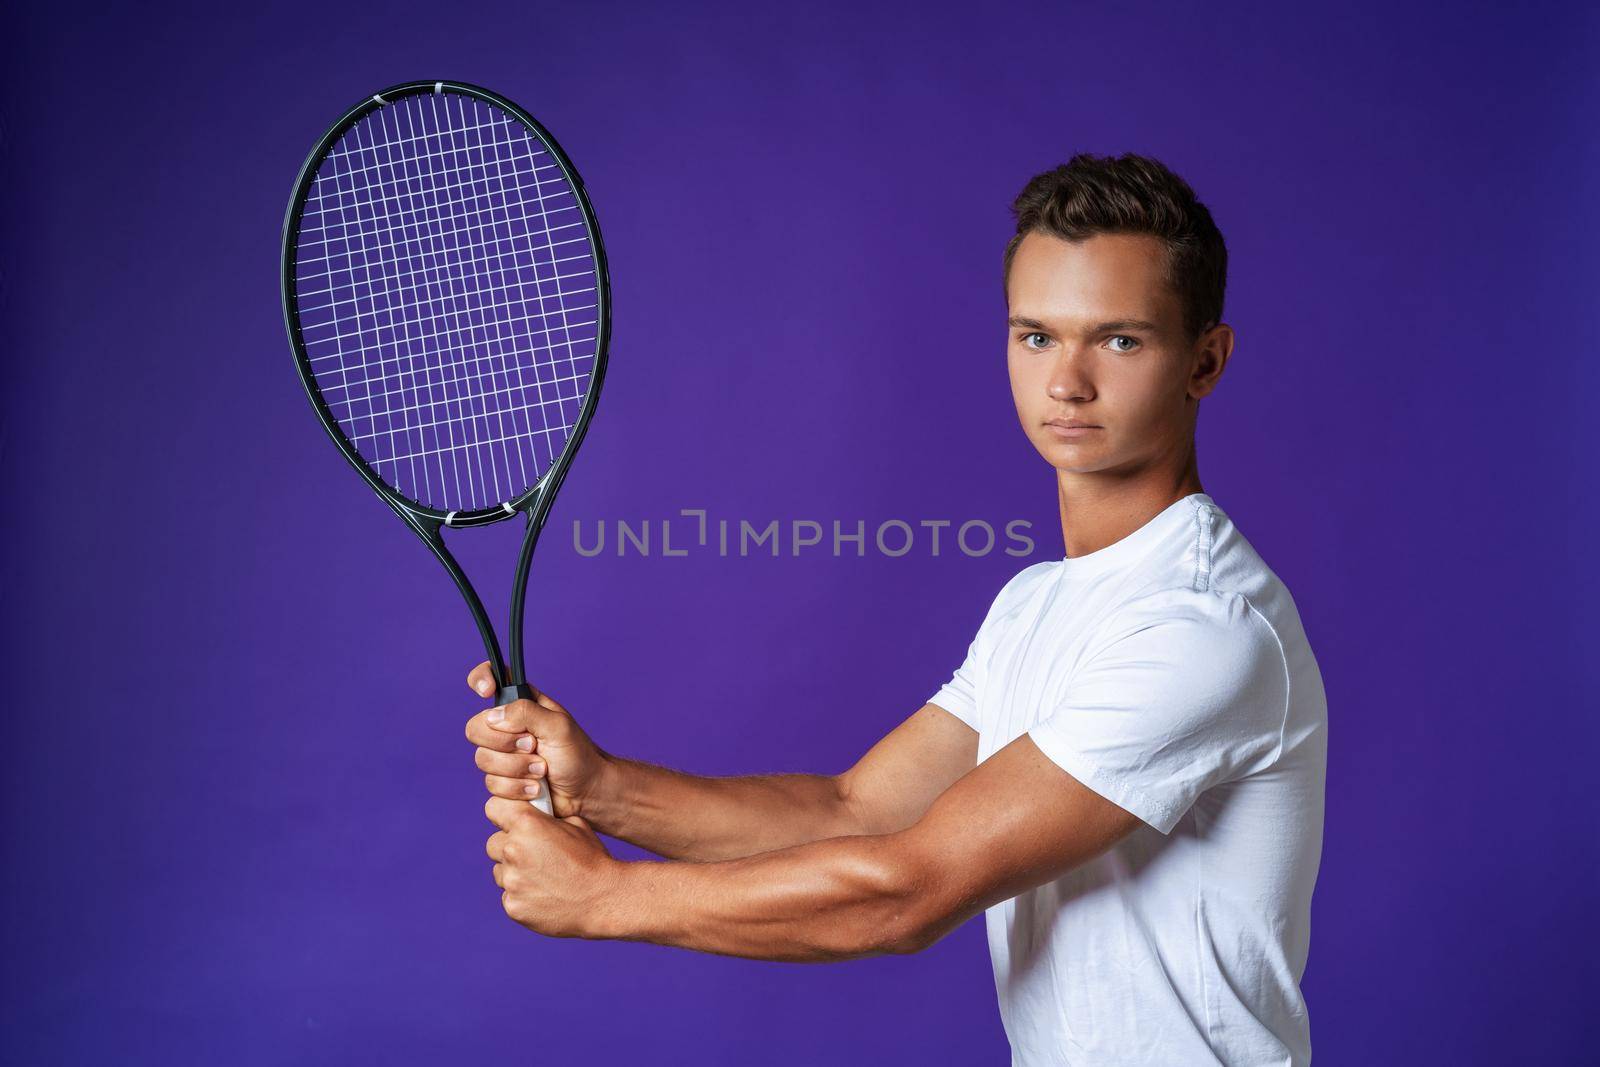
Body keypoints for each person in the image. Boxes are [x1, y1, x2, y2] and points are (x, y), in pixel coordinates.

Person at [465, 153, 1327, 1066]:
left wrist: (604, 897)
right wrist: (602, 788)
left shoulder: (1203, 625)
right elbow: (857, 811)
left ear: (1206, 360)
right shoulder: (1037, 602)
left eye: (1119, 340)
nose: (1066, 383)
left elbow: (906, 891)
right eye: (1036, 336)